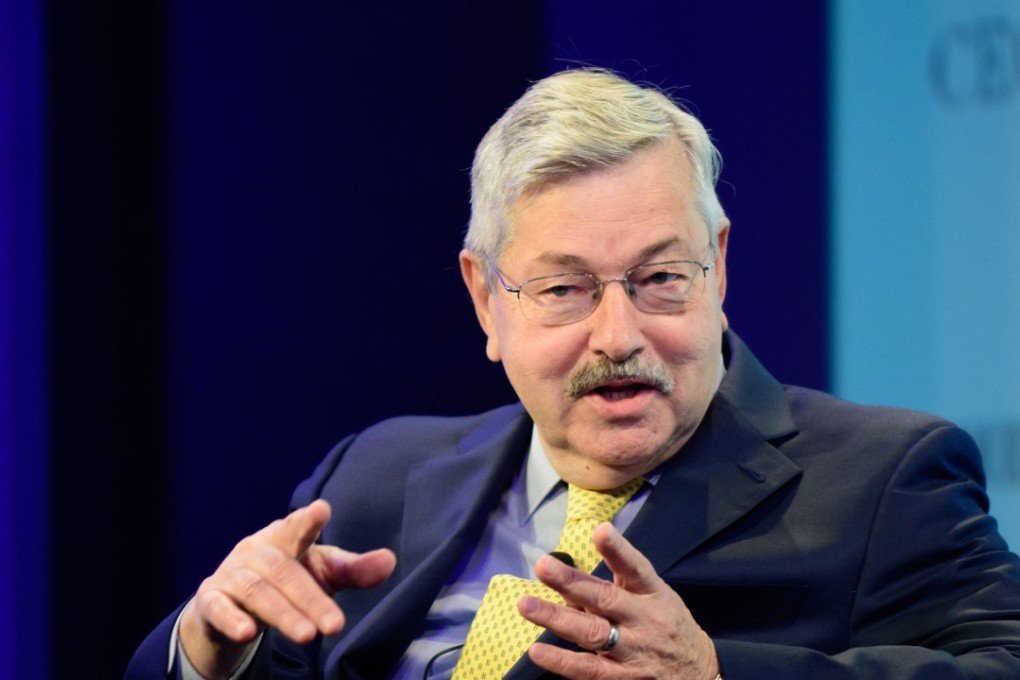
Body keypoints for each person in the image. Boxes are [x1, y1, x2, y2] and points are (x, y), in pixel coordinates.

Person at [126, 67, 1020, 679]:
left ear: (719, 267)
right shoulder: (377, 476)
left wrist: (715, 673)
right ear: (487, 301)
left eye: (661, 278)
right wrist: (208, 648)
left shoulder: (881, 478)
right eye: (565, 289)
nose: (618, 334)